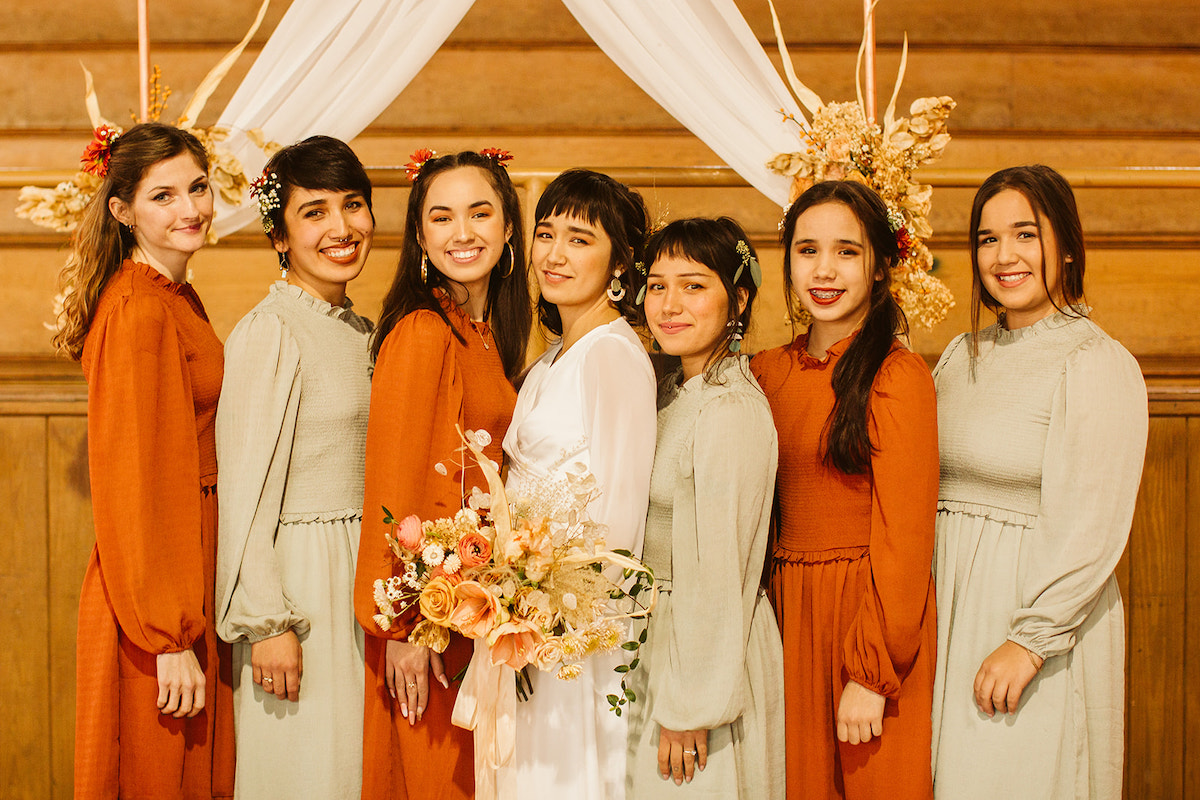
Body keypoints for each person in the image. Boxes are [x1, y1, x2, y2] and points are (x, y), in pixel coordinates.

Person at [930, 165, 1147, 800]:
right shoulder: (957, 355)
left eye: (1025, 234)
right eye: (987, 238)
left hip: (1031, 620)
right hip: (950, 611)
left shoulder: (1094, 362)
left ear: (1067, 245)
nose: (1004, 256)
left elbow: (1093, 524)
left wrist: (1029, 641)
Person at [55, 122, 235, 799]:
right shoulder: (136, 309)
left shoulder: (172, 297)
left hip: (189, 566)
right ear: (122, 210)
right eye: (164, 196)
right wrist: (167, 637)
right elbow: (134, 484)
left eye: (197, 188)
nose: (190, 209)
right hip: (158, 594)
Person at [352, 149, 531, 800]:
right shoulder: (423, 332)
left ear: (508, 227)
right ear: (420, 238)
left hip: (473, 616)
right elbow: (393, 487)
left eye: (480, 213)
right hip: (428, 624)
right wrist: (406, 627)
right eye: (443, 217)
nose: (464, 233)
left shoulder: (484, 334)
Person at [751, 180, 938, 800]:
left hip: (865, 616)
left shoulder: (897, 375)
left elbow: (905, 538)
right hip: (785, 613)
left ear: (881, 265)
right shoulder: (767, 372)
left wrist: (871, 672)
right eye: (807, 251)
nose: (823, 270)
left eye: (847, 252)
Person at [485, 167, 656, 798]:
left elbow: (618, 517)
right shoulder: (551, 357)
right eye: (546, 234)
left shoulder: (612, 354)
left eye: (580, 239)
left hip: (576, 634)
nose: (554, 254)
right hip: (525, 619)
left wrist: (555, 619)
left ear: (619, 263)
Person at [214, 136, 375, 799]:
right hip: (303, 585)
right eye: (315, 212)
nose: (341, 228)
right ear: (280, 235)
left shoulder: (360, 328)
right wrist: (269, 621)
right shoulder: (271, 331)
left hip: (360, 574)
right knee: (311, 773)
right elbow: (245, 491)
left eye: (353, 205)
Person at [625, 217, 785, 798]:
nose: (670, 304)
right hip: (655, 631)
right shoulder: (671, 392)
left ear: (737, 297)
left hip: (702, 648)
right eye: (659, 285)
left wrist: (693, 704)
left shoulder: (730, 411)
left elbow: (720, 570)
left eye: (693, 286)